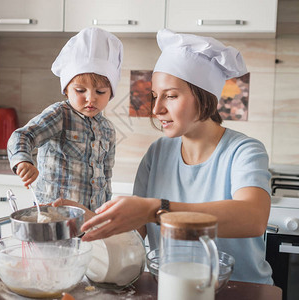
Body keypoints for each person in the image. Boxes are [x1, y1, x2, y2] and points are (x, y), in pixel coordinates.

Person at [80, 29, 273, 285]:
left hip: (240, 289)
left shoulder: (244, 151)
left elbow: (252, 218)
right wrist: (93, 224)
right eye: (154, 97)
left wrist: (155, 210)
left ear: (205, 98)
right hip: (174, 286)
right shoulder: (157, 153)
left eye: (170, 96)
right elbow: (134, 235)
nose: (157, 109)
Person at [7, 27, 123, 211]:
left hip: (89, 218)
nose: (91, 98)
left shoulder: (108, 129)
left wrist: (105, 210)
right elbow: (22, 136)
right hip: (54, 216)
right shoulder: (60, 115)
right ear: (66, 89)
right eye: (80, 90)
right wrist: (23, 161)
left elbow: (106, 176)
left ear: (110, 93)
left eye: (100, 92)